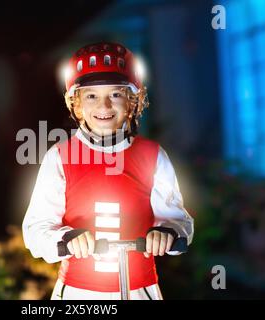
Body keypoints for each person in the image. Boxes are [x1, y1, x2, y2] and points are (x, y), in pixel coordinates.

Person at [22, 42, 194, 300]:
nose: (104, 106)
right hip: (79, 294)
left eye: (115, 94)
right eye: (91, 96)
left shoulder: (152, 156)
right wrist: (66, 238)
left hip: (140, 291)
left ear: (132, 101)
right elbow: (36, 230)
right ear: (76, 104)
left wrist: (167, 232)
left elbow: (180, 222)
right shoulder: (59, 157)